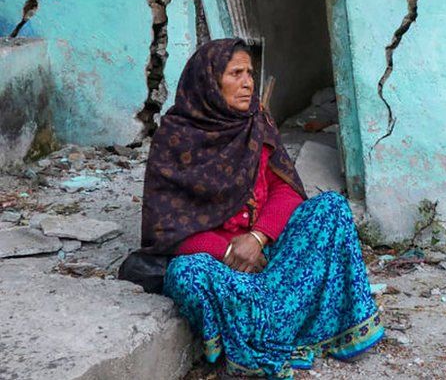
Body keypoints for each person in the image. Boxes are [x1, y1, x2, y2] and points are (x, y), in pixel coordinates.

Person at [139, 38, 382, 379]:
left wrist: (258, 236)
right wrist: (228, 251)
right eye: (235, 73)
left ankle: (264, 327)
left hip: (268, 249)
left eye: (250, 73)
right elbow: (165, 229)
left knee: (331, 209)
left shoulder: (257, 122)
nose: (248, 82)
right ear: (209, 81)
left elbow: (285, 187)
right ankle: (284, 323)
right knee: (186, 275)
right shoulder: (176, 137)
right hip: (222, 264)